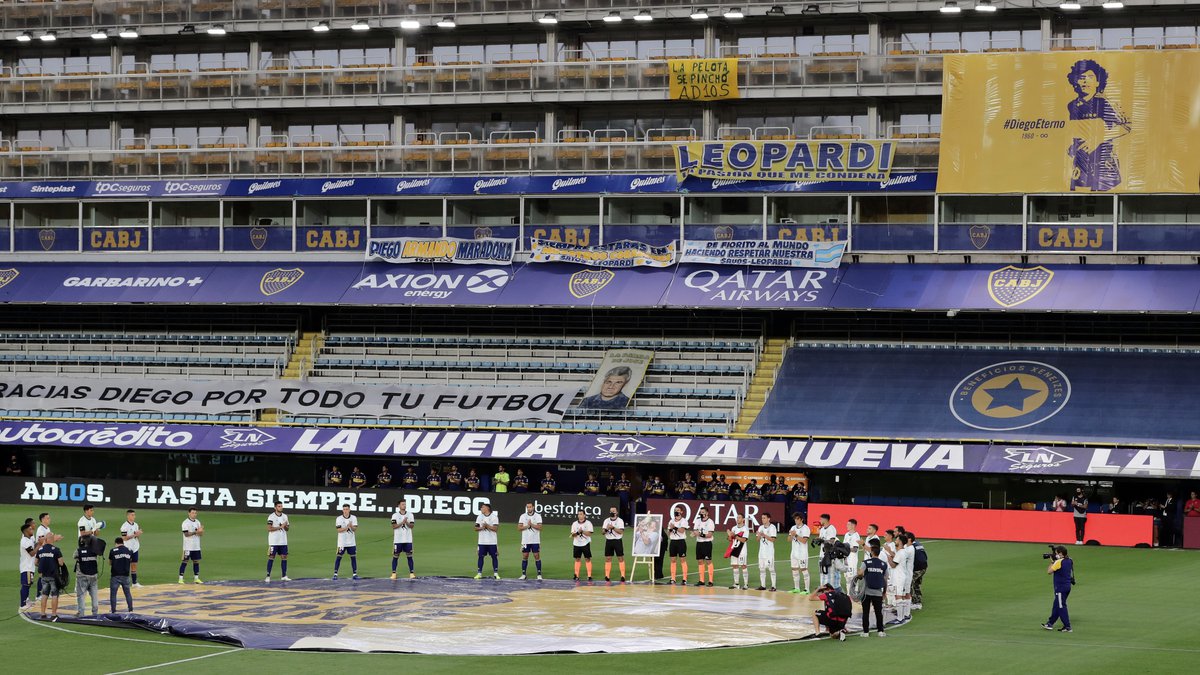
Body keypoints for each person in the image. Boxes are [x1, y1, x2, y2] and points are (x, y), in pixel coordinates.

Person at [1065, 59, 1130, 192]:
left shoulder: (1105, 103)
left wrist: (1098, 138)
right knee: (1079, 196)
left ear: (1098, 82)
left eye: (1090, 77)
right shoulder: (1072, 106)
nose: (1085, 81)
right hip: (1081, 164)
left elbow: (1126, 125)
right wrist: (1072, 147)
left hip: (1103, 163)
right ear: (1075, 81)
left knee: (1103, 197)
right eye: (1081, 78)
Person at [856, 543, 888, 638]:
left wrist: (859, 571)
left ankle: (866, 632)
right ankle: (880, 631)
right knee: (879, 612)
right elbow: (885, 579)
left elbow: (860, 574)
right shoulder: (883, 564)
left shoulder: (866, 562)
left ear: (872, 553)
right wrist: (884, 592)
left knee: (865, 612)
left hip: (866, 592)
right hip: (878, 592)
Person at [1042, 545, 1075, 633]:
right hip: (1067, 587)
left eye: (1056, 553)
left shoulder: (1058, 562)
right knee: (1056, 605)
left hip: (1060, 588)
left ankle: (1067, 626)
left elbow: (1049, 572)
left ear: (1060, 553)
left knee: (1061, 606)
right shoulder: (1070, 560)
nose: (1055, 555)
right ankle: (1050, 623)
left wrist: (1052, 562)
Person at [886, 533, 913, 624]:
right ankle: (905, 614)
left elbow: (893, 565)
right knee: (902, 595)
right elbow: (896, 558)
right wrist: (890, 552)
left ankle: (900, 618)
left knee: (898, 596)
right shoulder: (903, 552)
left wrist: (888, 557)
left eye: (896, 540)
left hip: (899, 577)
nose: (895, 541)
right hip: (903, 576)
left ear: (900, 542)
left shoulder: (900, 553)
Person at [36, 534, 64, 621]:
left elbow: (36, 562)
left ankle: (43, 613)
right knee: (55, 595)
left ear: (46, 540)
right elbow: (61, 563)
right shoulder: (56, 550)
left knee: (44, 594)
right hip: (53, 576)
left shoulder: (40, 550)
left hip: (44, 576)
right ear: (52, 540)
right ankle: (53, 614)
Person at [73, 536, 100, 616]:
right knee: (94, 596)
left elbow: (74, 556)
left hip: (82, 576)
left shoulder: (78, 551)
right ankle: (95, 613)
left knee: (81, 596)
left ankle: (81, 613)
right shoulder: (95, 551)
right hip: (93, 576)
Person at [265, 501, 291, 582]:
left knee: (284, 557)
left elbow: (287, 529)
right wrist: (280, 527)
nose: (281, 507)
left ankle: (284, 575)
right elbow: (269, 529)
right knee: (271, 557)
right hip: (274, 541)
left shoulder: (285, 516)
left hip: (283, 541)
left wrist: (285, 526)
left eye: (281, 506)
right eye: (279, 506)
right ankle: (268, 576)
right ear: (275, 507)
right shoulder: (271, 517)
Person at [333, 504, 360, 580]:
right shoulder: (339, 519)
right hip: (342, 542)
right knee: (338, 557)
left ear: (349, 510)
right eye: (344, 509)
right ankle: (335, 574)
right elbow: (338, 530)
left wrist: (351, 526)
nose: (345, 511)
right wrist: (347, 527)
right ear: (342, 510)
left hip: (351, 542)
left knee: (353, 557)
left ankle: (355, 573)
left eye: (347, 509)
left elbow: (354, 529)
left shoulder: (353, 518)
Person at [390, 500, 416, 580]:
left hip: (408, 539)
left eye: (405, 504)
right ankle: (394, 573)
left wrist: (406, 522)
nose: (404, 506)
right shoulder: (395, 515)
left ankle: (411, 573)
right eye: (402, 504)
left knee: (409, 556)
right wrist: (402, 522)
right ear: (399, 506)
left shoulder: (410, 514)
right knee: (395, 556)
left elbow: (411, 526)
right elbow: (394, 526)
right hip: (398, 540)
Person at [474, 503, 500, 579]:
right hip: (482, 542)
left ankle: (495, 573)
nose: (481, 509)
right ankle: (479, 573)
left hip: (492, 541)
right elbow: (475, 528)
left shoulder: (494, 517)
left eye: (482, 507)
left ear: (487, 508)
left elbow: (495, 529)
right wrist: (482, 527)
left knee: (494, 557)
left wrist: (487, 526)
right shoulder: (479, 517)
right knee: (480, 557)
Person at [517, 502, 543, 580]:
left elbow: (540, 527)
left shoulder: (537, 516)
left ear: (533, 507)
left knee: (536, 556)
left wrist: (532, 525)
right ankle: (524, 574)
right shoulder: (523, 516)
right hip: (525, 540)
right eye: (527, 507)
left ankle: (539, 574)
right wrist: (527, 526)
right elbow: (519, 528)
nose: (529, 508)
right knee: (525, 556)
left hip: (535, 540)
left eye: (530, 507)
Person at [108, 537, 133, 613]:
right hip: (125, 575)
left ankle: (113, 610)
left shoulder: (113, 551)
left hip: (115, 575)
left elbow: (110, 563)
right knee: (127, 593)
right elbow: (130, 560)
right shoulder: (129, 550)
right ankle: (130, 609)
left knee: (113, 594)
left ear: (116, 543)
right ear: (123, 542)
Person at [118, 510, 143, 588]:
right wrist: (134, 534)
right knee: (125, 566)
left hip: (135, 547)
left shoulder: (136, 524)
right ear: (128, 516)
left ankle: (134, 582)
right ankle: (122, 583)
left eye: (134, 515)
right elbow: (124, 538)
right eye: (132, 515)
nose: (134, 516)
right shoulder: (124, 526)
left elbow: (136, 536)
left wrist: (138, 534)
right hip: (127, 548)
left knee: (134, 565)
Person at [178, 508, 204, 584]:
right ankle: (180, 578)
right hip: (187, 547)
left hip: (196, 546)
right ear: (189, 513)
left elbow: (201, 534)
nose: (194, 514)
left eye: (195, 513)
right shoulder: (185, 523)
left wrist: (201, 531)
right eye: (193, 513)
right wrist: (196, 532)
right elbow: (186, 534)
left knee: (196, 561)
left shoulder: (198, 522)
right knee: (185, 561)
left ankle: (196, 578)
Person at [601, 507, 626, 583]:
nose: (612, 512)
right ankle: (607, 576)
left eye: (613, 511)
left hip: (617, 541)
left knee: (620, 558)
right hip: (609, 541)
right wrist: (606, 529)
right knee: (608, 558)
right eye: (611, 511)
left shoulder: (620, 521)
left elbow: (621, 532)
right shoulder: (606, 520)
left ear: (617, 512)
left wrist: (613, 527)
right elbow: (602, 532)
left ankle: (622, 576)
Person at [788, 512, 811, 594]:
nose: (796, 520)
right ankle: (796, 588)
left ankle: (807, 589)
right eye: (795, 519)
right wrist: (791, 535)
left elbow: (804, 541)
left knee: (803, 569)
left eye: (797, 519)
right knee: (794, 570)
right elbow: (789, 540)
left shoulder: (806, 528)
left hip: (802, 553)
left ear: (801, 519)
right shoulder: (793, 527)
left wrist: (796, 535)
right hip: (794, 553)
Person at [692, 506, 716, 587]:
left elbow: (709, 535)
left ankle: (710, 581)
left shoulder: (710, 522)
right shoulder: (698, 521)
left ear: (707, 513)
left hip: (707, 543)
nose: (701, 514)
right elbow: (695, 530)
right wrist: (695, 533)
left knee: (708, 561)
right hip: (699, 543)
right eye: (700, 512)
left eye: (703, 512)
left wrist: (699, 534)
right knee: (700, 561)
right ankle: (701, 580)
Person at [755, 513, 778, 592]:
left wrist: (764, 535)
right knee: (761, 569)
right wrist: (759, 535)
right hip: (761, 552)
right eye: (762, 518)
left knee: (771, 568)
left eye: (764, 518)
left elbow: (773, 539)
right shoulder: (760, 527)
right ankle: (763, 585)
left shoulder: (772, 527)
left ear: (769, 519)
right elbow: (757, 540)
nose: (762, 519)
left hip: (769, 552)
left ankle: (773, 586)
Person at [727, 514, 750, 590]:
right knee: (735, 566)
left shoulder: (745, 529)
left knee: (743, 566)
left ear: (743, 519)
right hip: (734, 548)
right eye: (737, 517)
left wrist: (735, 535)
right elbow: (730, 540)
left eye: (739, 517)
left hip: (742, 550)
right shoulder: (734, 528)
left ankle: (746, 584)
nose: (737, 519)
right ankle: (736, 583)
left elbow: (744, 540)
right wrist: (729, 535)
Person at [667, 506, 689, 584]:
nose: (676, 512)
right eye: (675, 510)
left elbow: (682, 531)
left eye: (678, 510)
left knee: (682, 559)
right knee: (673, 560)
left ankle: (684, 579)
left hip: (681, 542)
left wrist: (675, 527)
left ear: (681, 512)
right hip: (673, 541)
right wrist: (670, 529)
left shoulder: (684, 521)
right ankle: (673, 578)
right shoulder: (671, 521)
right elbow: (668, 532)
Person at [816, 514, 839, 590]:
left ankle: (830, 590)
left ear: (825, 520)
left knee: (829, 573)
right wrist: (818, 541)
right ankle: (823, 588)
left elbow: (832, 541)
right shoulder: (822, 529)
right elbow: (821, 540)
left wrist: (823, 540)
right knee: (821, 572)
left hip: (829, 554)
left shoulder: (831, 529)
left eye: (821, 519)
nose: (820, 521)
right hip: (822, 553)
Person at [570, 510, 594, 582]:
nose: (579, 516)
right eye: (578, 514)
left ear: (584, 515)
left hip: (585, 543)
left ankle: (589, 575)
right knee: (577, 559)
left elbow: (590, 533)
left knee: (587, 558)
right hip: (577, 543)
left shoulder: (588, 523)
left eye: (581, 514)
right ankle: (576, 575)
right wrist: (578, 532)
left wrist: (582, 531)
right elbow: (572, 535)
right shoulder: (574, 524)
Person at [19, 522, 37, 611]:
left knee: (28, 584)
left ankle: (26, 601)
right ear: (25, 531)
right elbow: (32, 553)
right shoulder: (24, 541)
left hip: (30, 566)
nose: (32, 530)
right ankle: (22, 604)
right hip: (26, 567)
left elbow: (34, 548)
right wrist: (40, 545)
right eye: (30, 529)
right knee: (25, 585)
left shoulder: (29, 539)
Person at [910, 531, 928, 609]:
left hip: (917, 569)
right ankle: (918, 600)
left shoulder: (912, 547)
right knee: (916, 583)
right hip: (923, 567)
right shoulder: (918, 544)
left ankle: (914, 601)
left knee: (910, 583)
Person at [842, 519, 861, 591]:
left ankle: (855, 592)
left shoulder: (856, 536)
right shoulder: (846, 534)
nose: (847, 526)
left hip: (852, 559)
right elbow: (844, 546)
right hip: (846, 558)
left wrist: (846, 548)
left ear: (853, 525)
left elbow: (855, 549)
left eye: (848, 524)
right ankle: (848, 594)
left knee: (852, 577)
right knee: (847, 577)